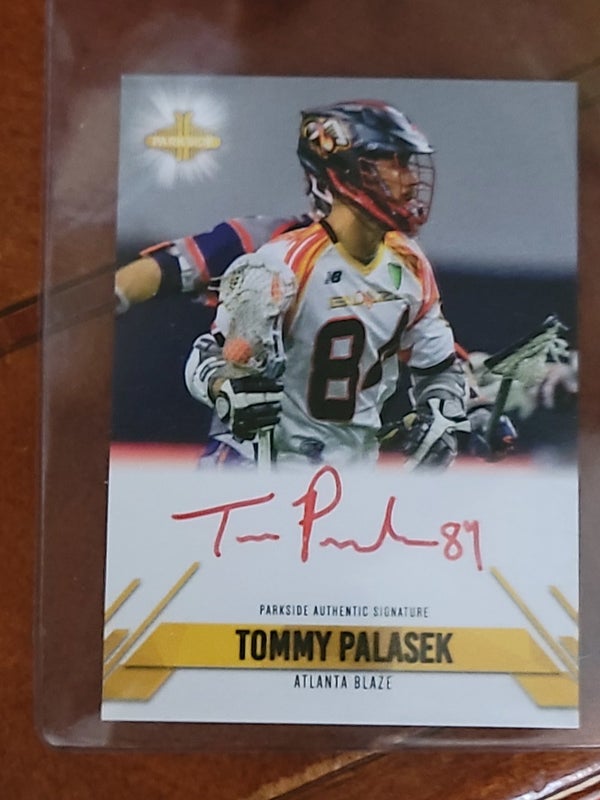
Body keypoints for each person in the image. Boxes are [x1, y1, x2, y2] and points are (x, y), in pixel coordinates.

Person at [184, 100, 469, 468]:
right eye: (395, 162)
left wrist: (441, 413)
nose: (412, 179)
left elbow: (439, 368)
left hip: (354, 475)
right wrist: (225, 388)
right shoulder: (283, 264)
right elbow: (209, 355)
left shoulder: (411, 263)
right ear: (349, 170)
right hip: (267, 470)